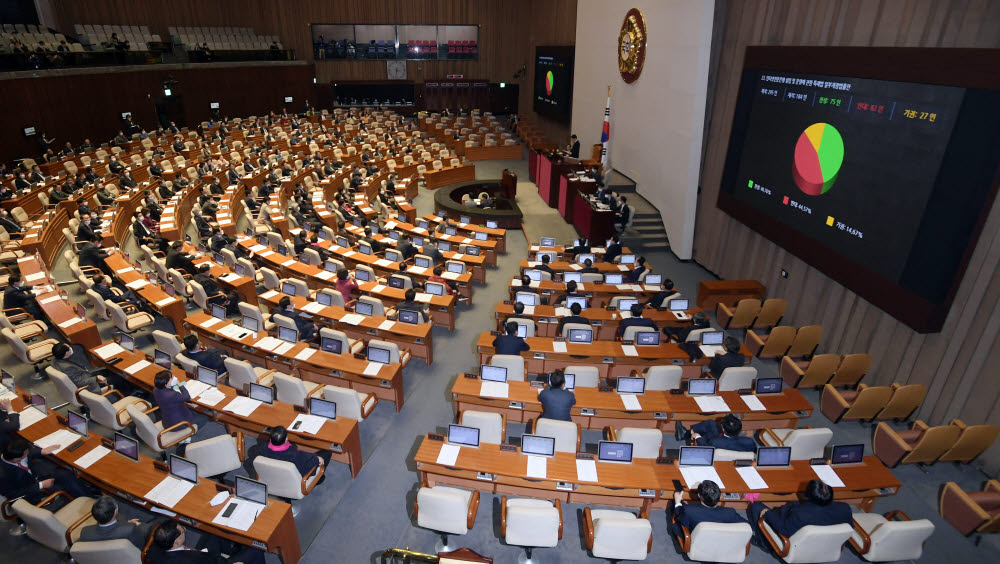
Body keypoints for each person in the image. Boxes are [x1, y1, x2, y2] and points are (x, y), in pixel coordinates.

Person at [749, 479, 853, 546]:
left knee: (757, 506)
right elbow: (848, 528)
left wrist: (767, 513)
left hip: (795, 541)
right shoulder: (845, 508)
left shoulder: (800, 514)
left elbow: (784, 529)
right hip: (827, 544)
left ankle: (764, 543)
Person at [150, 521, 265, 564]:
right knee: (256, 550)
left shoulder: (155, 547)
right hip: (211, 560)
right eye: (182, 531)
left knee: (213, 532)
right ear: (176, 541)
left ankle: (236, 550)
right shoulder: (191, 560)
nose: (185, 530)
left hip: (201, 556)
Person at [244, 426, 328, 482]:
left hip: (270, 476)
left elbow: (251, 452)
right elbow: (304, 470)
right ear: (286, 439)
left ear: (270, 439)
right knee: (326, 453)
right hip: (291, 481)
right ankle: (319, 478)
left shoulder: (262, 449)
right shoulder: (294, 455)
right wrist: (316, 460)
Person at [671, 480, 746, 539]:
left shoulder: (689, 510)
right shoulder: (730, 513)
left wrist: (677, 502)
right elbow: (747, 525)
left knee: (675, 508)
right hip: (721, 541)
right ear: (720, 497)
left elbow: (680, 516)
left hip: (695, 540)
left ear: (699, 496)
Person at [79, 496, 153, 549]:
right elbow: (142, 545)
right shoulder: (131, 529)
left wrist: (126, 523)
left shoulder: (84, 532)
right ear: (116, 511)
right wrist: (138, 527)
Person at [152, 370, 209, 434]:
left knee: (193, 411)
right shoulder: (172, 395)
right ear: (166, 383)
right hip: (178, 424)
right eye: (171, 378)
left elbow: (168, 389)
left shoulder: (156, 389)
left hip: (167, 421)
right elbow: (187, 397)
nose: (174, 377)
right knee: (204, 417)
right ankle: (185, 438)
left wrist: (173, 384)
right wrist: (179, 384)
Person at [676, 414, 756, 452]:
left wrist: (697, 437)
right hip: (726, 443)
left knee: (704, 432)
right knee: (711, 423)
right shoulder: (749, 442)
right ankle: (685, 434)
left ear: (723, 429)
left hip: (717, 445)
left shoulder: (714, 441)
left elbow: (706, 449)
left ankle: (686, 434)